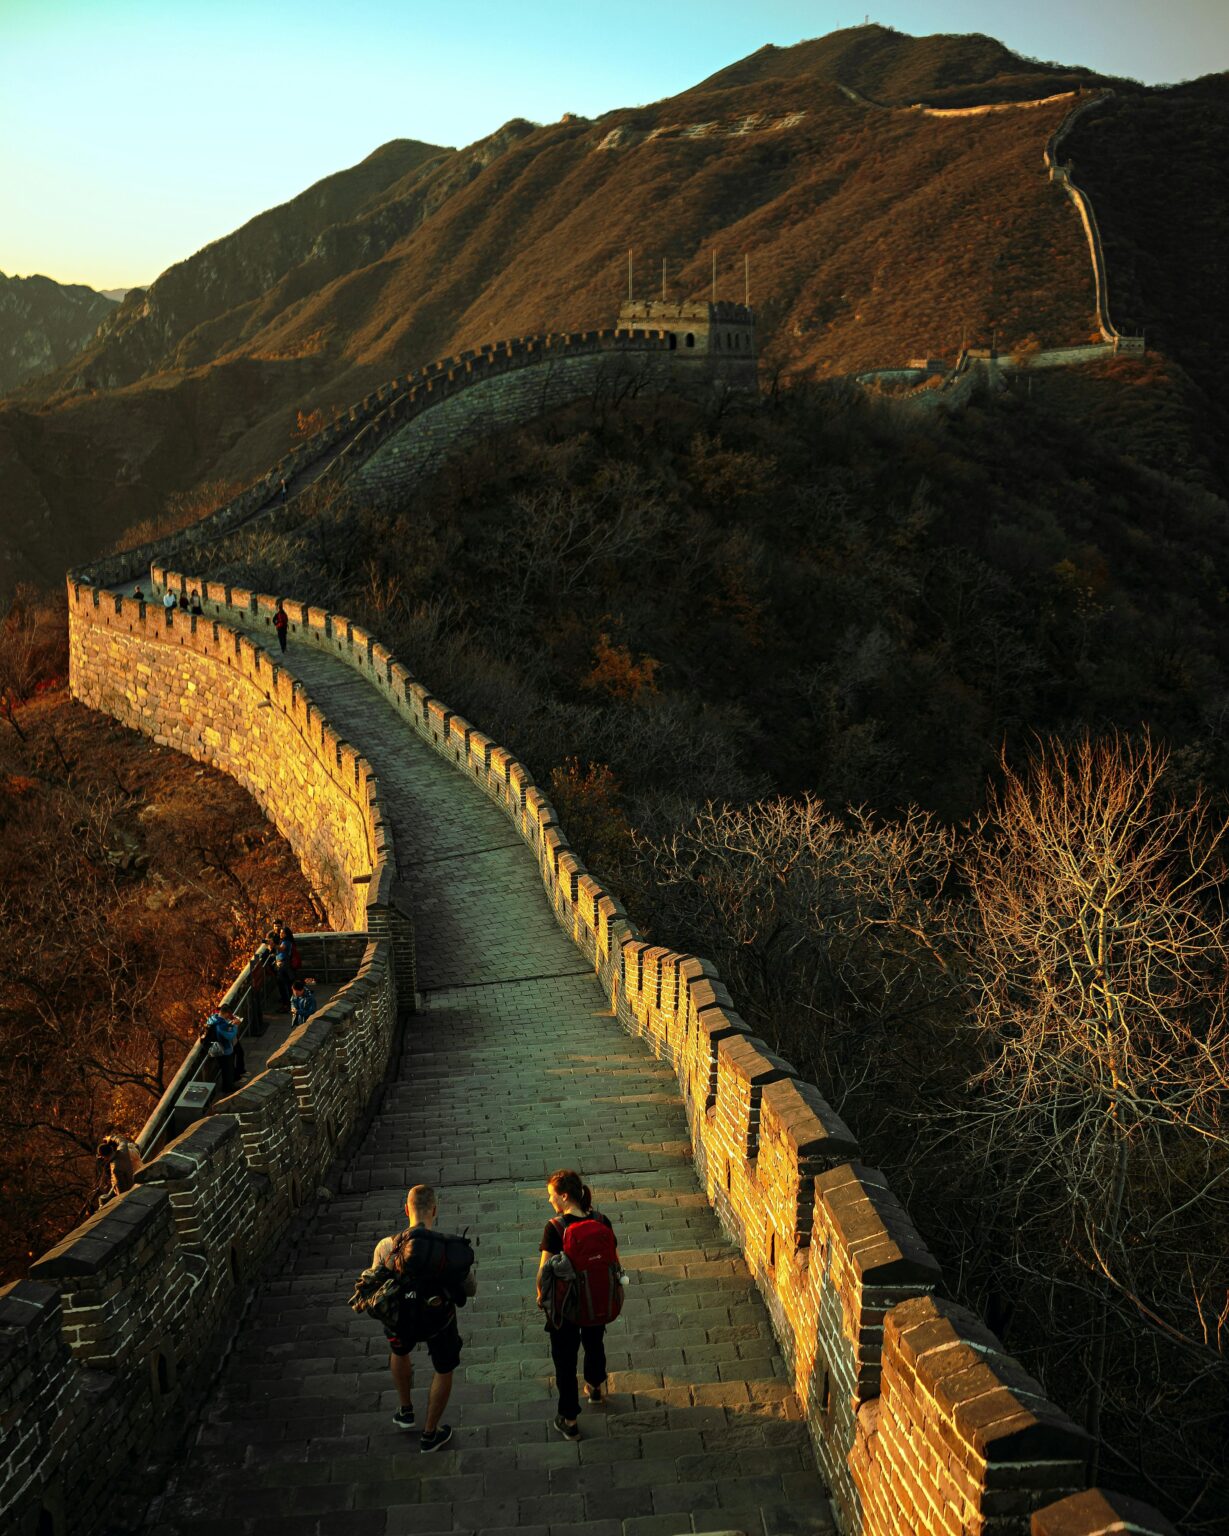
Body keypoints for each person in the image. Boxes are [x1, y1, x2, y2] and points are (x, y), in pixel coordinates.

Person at [372, 1185, 476, 1452]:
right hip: (438, 1321)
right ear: (435, 1211)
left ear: (406, 1209)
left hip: (401, 1321)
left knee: (399, 1350)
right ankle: (430, 1433)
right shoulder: (448, 1250)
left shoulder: (387, 1246)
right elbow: (470, 1288)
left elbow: (375, 1284)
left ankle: (406, 1411)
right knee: (444, 1368)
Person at [537, 1169, 622, 1440]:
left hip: (567, 1306)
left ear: (564, 1197)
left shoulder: (556, 1228)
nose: (550, 1201)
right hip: (596, 1300)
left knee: (565, 1360)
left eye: (552, 1196)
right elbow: (615, 1261)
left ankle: (569, 1418)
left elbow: (543, 1272)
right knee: (594, 1341)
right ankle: (595, 1386)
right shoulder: (601, 1220)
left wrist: (541, 1296)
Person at [203, 1005, 242, 1094]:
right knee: (227, 1070)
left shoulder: (213, 1018)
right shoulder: (220, 1025)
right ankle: (228, 1088)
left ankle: (228, 1086)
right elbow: (229, 1036)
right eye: (228, 1015)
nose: (229, 1017)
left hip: (217, 1048)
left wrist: (229, 1024)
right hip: (225, 1050)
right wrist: (235, 1026)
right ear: (225, 1013)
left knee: (225, 1069)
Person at [270, 927, 293, 1009]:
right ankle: (288, 1003)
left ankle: (286, 1004)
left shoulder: (286, 942)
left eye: (283, 933)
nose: (281, 934)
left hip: (283, 965)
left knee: (283, 985)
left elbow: (281, 948)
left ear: (286, 934)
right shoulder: (283, 941)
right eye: (280, 933)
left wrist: (273, 945)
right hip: (281, 964)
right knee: (285, 984)